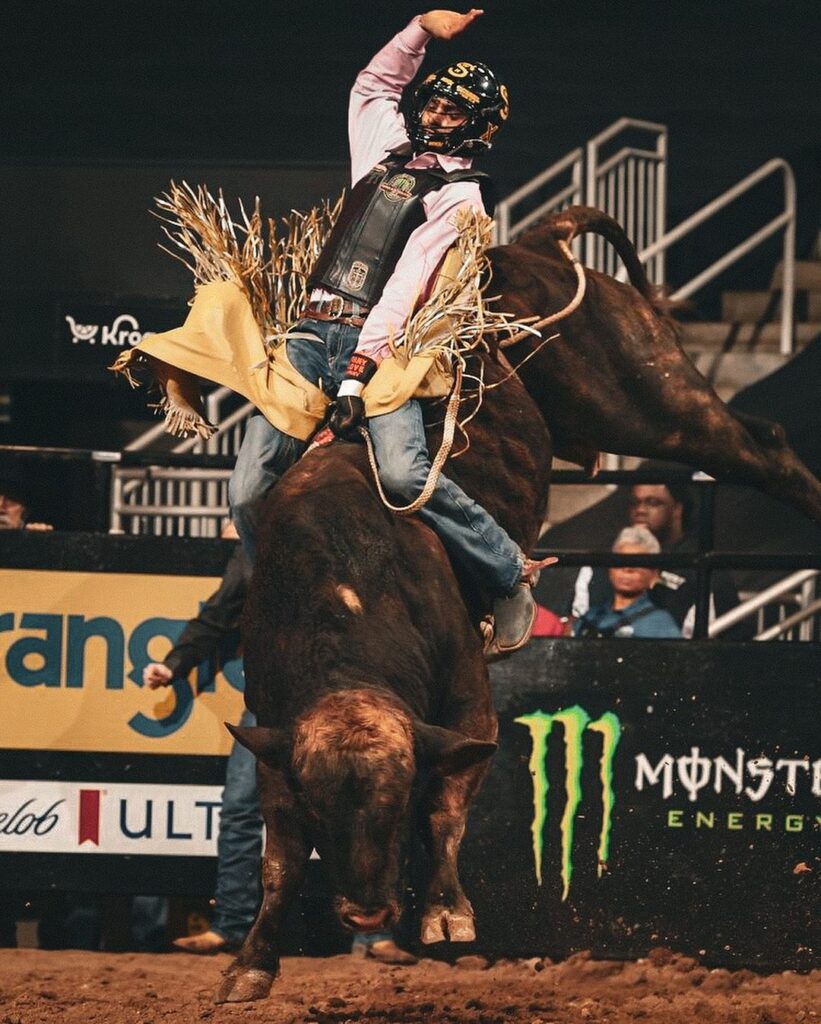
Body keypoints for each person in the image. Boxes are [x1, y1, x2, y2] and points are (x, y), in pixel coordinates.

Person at [228, 8, 553, 653]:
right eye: (432, 105)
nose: (434, 117)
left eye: (452, 113)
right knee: (247, 489)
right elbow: (372, 88)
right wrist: (421, 31)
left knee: (403, 476)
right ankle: (280, 587)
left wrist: (358, 372)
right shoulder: (382, 150)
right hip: (313, 332)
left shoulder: (462, 197)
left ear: (478, 128)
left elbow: (408, 284)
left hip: (386, 349)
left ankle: (507, 571)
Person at [145, 525, 415, 964]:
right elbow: (216, 615)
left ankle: (373, 934)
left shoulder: (349, 540)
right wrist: (175, 665)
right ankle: (230, 926)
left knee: (367, 806)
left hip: (344, 705)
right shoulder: (259, 547)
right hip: (278, 704)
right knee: (240, 807)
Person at [570, 481, 747, 638]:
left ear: (677, 508)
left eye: (653, 502)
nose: (640, 510)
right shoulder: (604, 561)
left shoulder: (700, 563)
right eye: (635, 503)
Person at [574, 526, 681, 639]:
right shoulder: (590, 617)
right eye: (621, 560)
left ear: (653, 575)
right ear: (611, 569)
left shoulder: (661, 626)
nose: (627, 569)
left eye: (637, 562)